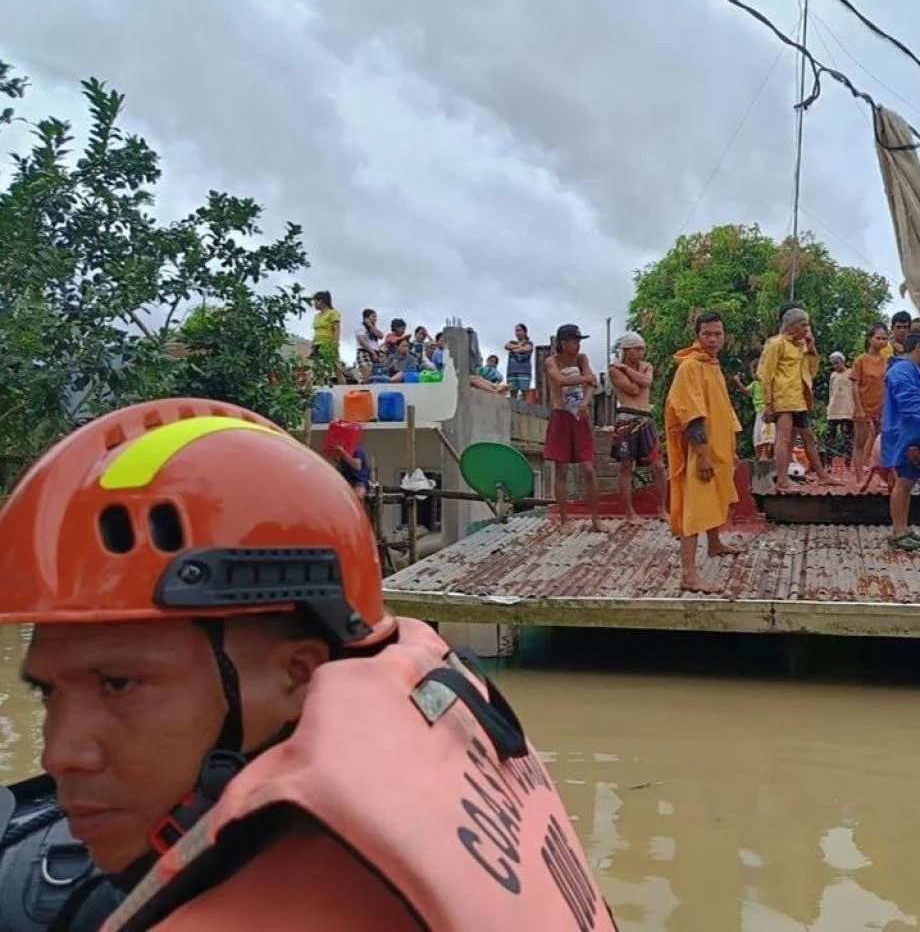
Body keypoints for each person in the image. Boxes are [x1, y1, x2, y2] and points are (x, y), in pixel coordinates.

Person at [0, 398, 615, 931]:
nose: (60, 755)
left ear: (301, 673)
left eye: (118, 684)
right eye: (49, 694)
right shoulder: (442, 720)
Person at [665, 311, 743, 593]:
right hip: (702, 449)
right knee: (695, 509)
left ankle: (714, 543)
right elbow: (692, 414)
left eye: (717, 334)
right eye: (706, 334)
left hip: (719, 446)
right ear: (697, 336)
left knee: (715, 496)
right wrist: (703, 453)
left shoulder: (712, 364)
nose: (712, 339)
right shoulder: (691, 366)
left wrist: (730, 446)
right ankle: (688, 574)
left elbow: (722, 408)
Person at [758, 308, 839, 492]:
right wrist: (768, 404)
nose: (806, 328)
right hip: (782, 398)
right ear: (792, 325)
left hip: (798, 399)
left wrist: (811, 350)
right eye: (803, 324)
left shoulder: (799, 346)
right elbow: (765, 374)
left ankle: (823, 476)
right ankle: (782, 479)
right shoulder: (776, 344)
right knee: (784, 438)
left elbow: (810, 372)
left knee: (808, 437)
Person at [881, 330, 920, 552]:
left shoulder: (912, 370)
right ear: (919, 347)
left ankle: (904, 528)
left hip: (914, 434)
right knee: (904, 482)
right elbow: (908, 399)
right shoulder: (901, 370)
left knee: (908, 482)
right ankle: (898, 532)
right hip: (905, 434)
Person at [544, 323, 602, 531]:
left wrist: (585, 403)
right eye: (574, 341)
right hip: (561, 414)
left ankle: (596, 519)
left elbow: (591, 385)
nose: (577, 345)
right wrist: (587, 378)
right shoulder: (552, 361)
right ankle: (564, 519)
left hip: (580, 415)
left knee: (588, 467)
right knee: (561, 469)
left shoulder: (582, 359)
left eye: (579, 342)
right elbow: (560, 381)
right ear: (563, 343)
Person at [608, 332, 668, 523]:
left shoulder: (642, 366)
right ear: (626, 350)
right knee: (626, 465)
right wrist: (634, 375)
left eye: (642, 348)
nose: (641, 353)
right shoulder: (613, 370)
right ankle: (629, 512)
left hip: (645, 418)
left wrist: (625, 368)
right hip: (626, 416)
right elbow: (633, 390)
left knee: (658, 465)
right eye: (637, 349)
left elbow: (647, 382)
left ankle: (662, 508)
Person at [851, 324, 889, 478]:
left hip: (881, 407)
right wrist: (859, 408)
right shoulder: (861, 361)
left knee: (880, 444)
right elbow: (854, 385)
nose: (881, 341)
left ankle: (880, 476)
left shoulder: (886, 361)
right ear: (870, 339)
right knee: (860, 442)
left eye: (884, 338)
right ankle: (859, 476)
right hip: (864, 406)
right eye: (878, 338)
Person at [731, 360, 773, 461]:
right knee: (758, 434)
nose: (754, 374)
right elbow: (746, 392)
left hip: (767, 410)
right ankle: (760, 455)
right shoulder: (755, 384)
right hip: (758, 412)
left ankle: (765, 455)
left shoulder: (769, 382)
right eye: (753, 372)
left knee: (767, 434)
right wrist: (738, 382)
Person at [824, 352, 855, 470]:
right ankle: (828, 463)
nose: (836, 366)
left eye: (837, 363)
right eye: (833, 363)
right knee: (830, 437)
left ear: (842, 361)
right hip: (834, 409)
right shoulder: (833, 375)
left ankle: (848, 463)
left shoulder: (851, 373)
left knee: (848, 437)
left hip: (847, 409)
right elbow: (831, 392)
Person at [310, 291, 343, 385]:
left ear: (321, 301)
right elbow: (316, 331)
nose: (314, 304)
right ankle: (321, 389)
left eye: (315, 301)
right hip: (317, 344)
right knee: (318, 370)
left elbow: (337, 329)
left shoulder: (333, 313)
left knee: (337, 369)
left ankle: (344, 389)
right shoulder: (316, 316)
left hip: (328, 344)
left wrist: (335, 344)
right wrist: (312, 344)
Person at [504, 323, 535, 399]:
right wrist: (518, 346)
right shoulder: (512, 342)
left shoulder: (529, 343)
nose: (517, 333)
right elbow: (506, 346)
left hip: (524, 371)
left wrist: (515, 348)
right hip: (512, 371)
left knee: (525, 393)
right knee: (512, 393)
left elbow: (526, 349)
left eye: (519, 330)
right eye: (516, 331)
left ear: (525, 332)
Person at [354, 308, 385, 382]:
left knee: (375, 375)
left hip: (375, 352)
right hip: (364, 351)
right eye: (373, 316)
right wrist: (372, 353)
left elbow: (381, 336)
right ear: (366, 318)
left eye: (376, 317)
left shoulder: (373, 328)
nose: (375, 319)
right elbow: (362, 341)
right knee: (367, 373)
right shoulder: (360, 326)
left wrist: (371, 326)